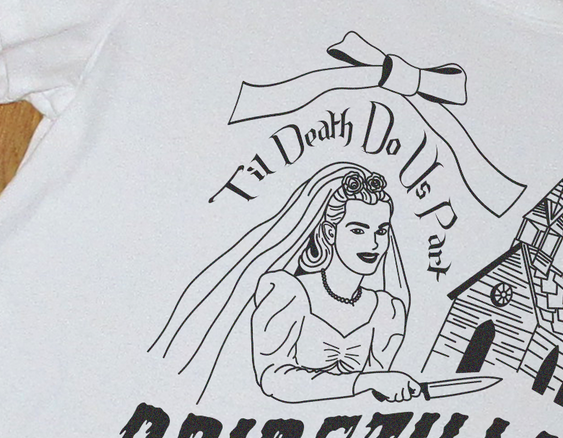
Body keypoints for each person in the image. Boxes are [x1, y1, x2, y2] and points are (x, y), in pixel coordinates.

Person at [153, 162, 423, 402]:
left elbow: (373, 393)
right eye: (358, 230)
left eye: (381, 231)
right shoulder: (287, 292)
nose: (373, 243)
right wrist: (364, 382)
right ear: (329, 232)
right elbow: (274, 379)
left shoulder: (388, 310)